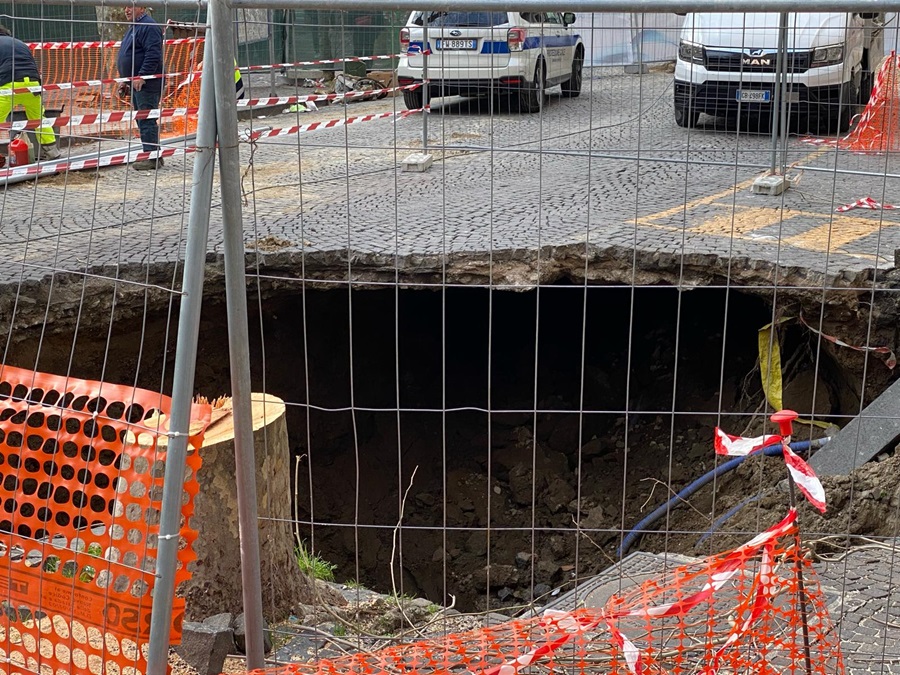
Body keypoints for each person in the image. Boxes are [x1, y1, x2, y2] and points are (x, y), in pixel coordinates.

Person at [0, 23, 61, 161]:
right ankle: (52, 152)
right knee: (38, 119)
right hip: (33, 84)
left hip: (9, 84)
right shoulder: (19, 42)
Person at [117, 6, 164, 170]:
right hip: (136, 83)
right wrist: (125, 80)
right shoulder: (135, 27)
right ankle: (153, 154)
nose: (126, 10)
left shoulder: (148, 26)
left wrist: (143, 75)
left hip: (147, 84)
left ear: (142, 7)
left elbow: (153, 54)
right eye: (125, 7)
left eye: (131, 6)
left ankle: (152, 158)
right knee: (142, 118)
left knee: (146, 119)